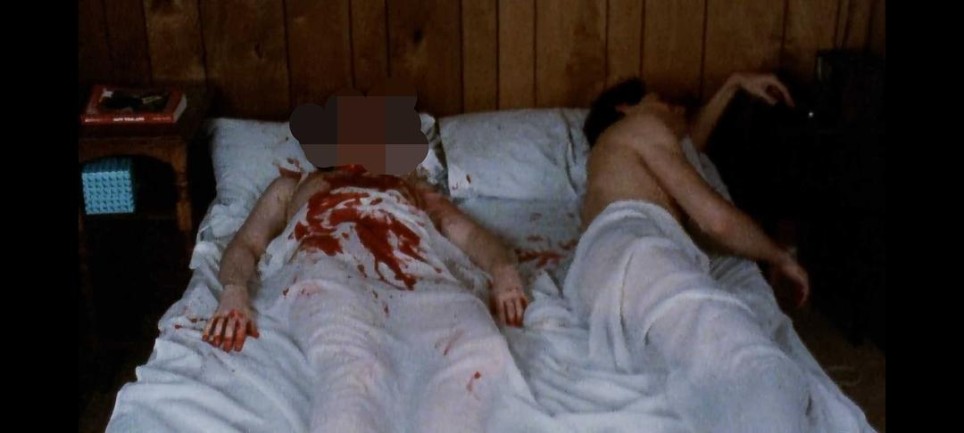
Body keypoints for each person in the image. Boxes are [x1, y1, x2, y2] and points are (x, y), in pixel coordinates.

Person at [568, 72, 812, 433]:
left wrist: (732, 84)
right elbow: (717, 222)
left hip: (596, 279)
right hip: (636, 252)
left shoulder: (618, 153)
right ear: (625, 108)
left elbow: (688, 146)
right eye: (660, 101)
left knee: (693, 383)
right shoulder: (641, 127)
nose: (675, 109)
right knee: (748, 361)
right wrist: (779, 255)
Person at [203, 164, 529, 432]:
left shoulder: (407, 182)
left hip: (416, 270)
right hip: (329, 263)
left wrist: (503, 271)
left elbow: (468, 234)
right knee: (357, 367)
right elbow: (246, 244)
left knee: (475, 346)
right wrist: (234, 289)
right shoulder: (292, 185)